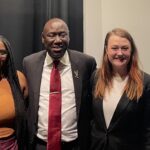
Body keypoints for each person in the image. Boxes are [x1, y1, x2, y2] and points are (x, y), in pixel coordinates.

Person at [23, 18, 96, 150]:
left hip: (75, 145)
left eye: (62, 35)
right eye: (51, 35)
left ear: (69, 37)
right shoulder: (29, 63)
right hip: (40, 145)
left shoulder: (86, 63)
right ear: (42, 38)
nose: (58, 40)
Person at [90, 28, 150, 150]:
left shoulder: (145, 82)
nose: (120, 53)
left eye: (125, 48)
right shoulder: (96, 77)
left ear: (131, 50)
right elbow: (90, 119)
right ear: (106, 50)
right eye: (114, 48)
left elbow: (147, 128)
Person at [0, 35, 28, 149]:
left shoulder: (19, 79)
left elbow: (27, 110)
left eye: (2, 52)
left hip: (11, 145)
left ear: (8, 55)